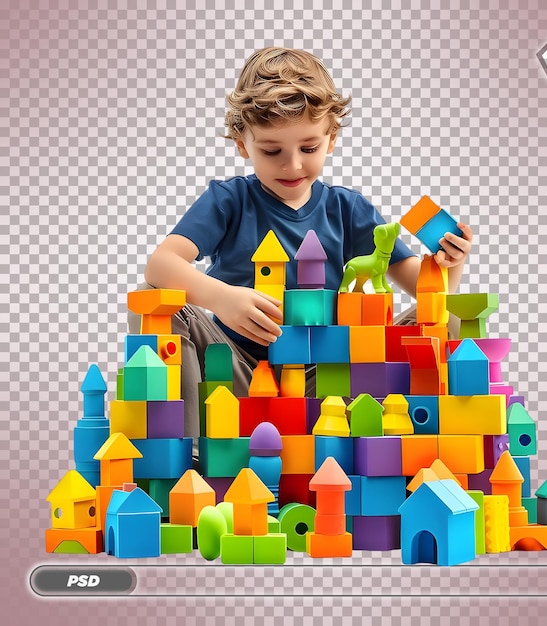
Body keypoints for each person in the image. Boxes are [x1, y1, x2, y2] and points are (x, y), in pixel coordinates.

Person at [129, 47, 473, 439]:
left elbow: (426, 291)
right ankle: (184, 449)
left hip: (324, 380)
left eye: (308, 148)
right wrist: (222, 298)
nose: (292, 165)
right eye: (271, 151)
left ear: (331, 139)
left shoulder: (348, 208)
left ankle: (406, 447)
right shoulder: (228, 200)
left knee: (451, 315)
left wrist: (450, 263)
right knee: (153, 300)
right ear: (243, 143)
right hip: (233, 371)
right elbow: (160, 265)